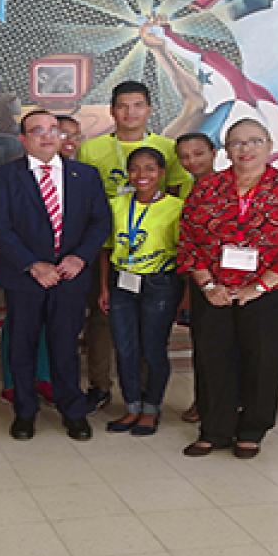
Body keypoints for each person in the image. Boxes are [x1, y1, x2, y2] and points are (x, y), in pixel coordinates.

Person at [177, 118, 278, 460]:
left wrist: (260, 286)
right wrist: (207, 284)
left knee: (263, 361)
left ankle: (252, 429)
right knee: (213, 360)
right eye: (237, 143)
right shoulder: (207, 188)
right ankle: (214, 429)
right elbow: (188, 239)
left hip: (270, 293)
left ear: (268, 146)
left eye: (254, 141)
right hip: (213, 292)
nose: (246, 149)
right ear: (226, 151)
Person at [0, 110, 111, 441]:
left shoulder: (85, 175)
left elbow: (100, 222)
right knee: (22, 345)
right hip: (25, 278)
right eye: (37, 130)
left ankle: (73, 411)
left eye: (53, 130)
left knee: (65, 345)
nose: (47, 136)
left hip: (70, 278)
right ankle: (25, 412)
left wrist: (79, 258)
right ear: (23, 139)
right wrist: (32, 264)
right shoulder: (4, 176)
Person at [77, 81, 192, 412]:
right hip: (109, 252)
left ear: (149, 109)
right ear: (112, 110)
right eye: (123, 106)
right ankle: (100, 387)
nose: (131, 112)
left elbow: (177, 201)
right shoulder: (92, 149)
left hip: (156, 262)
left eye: (138, 105)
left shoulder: (168, 149)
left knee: (149, 332)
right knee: (101, 323)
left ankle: (144, 394)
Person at [97, 147, 183, 436]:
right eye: (135, 168)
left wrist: (185, 297)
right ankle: (131, 406)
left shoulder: (176, 207)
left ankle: (151, 408)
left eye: (149, 168)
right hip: (122, 282)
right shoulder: (116, 204)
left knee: (153, 348)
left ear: (161, 173)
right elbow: (106, 248)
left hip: (159, 284)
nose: (141, 175)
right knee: (124, 347)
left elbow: (184, 254)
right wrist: (104, 288)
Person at [174, 132, 219, 424]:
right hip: (195, 278)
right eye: (185, 157)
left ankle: (226, 402)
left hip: (230, 281)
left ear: (213, 153)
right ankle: (204, 401)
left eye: (198, 153)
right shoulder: (181, 191)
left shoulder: (230, 187)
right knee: (203, 346)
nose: (192, 161)